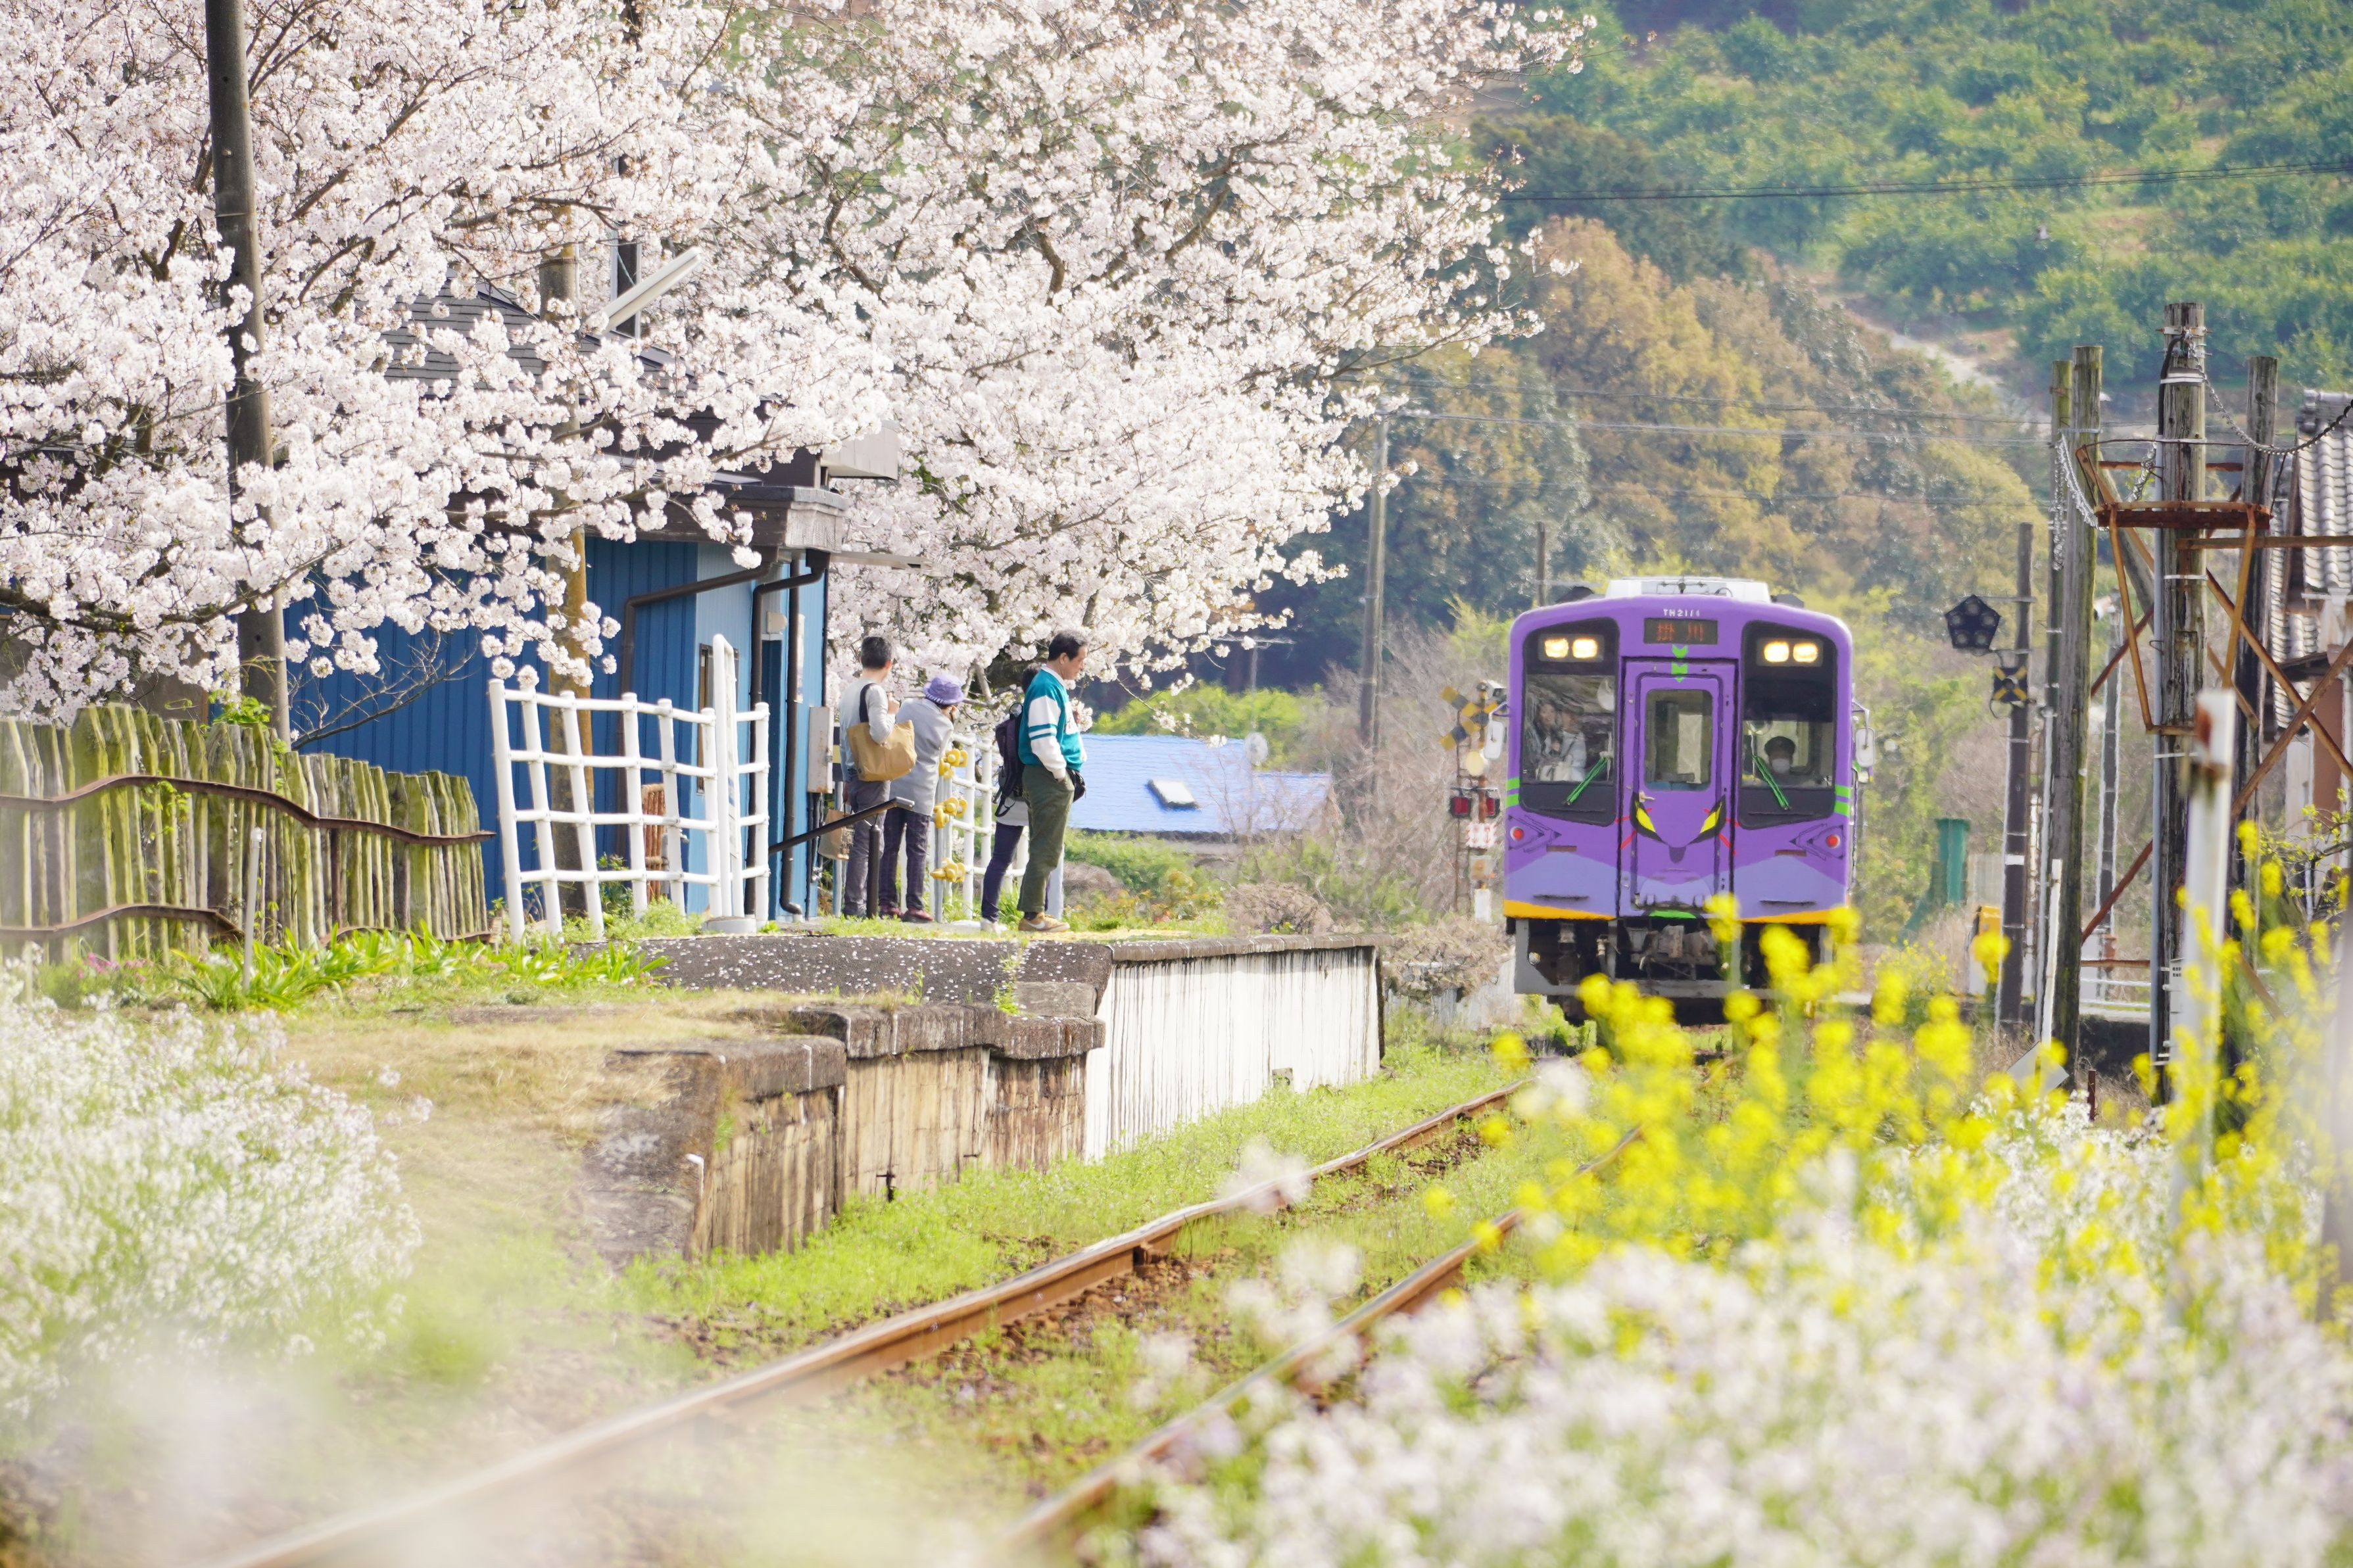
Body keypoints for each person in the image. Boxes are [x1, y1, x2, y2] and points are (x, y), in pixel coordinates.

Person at [1015, 629, 1088, 934]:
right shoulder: (1046, 687)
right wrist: (1060, 773)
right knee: (1047, 848)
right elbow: (1043, 740)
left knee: (1045, 846)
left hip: (1048, 776)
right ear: (1064, 658)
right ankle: (1033, 915)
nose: (1082, 667)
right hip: (1048, 776)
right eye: (1080, 660)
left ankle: (1035, 912)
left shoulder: (1051, 685)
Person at [882, 673, 962, 922]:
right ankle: (915, 905)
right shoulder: (946, 725)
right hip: (922, 792)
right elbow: (941, 752)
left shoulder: (907, 706)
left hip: (895, 784)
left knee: (890, 845)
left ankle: (886, 903)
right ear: (951, 704)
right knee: (916, 849)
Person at [840, 636, 898, 918]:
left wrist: (846, 778)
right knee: (870, 841)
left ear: (861, 659)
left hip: (853, 772)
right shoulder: (875, 692)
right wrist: (893, 713)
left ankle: (858, 903)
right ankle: (858, 906)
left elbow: (843, 738)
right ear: (889, 664)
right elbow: (880, 733)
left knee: (862, 840)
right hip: (872, 775)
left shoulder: (850, 690)